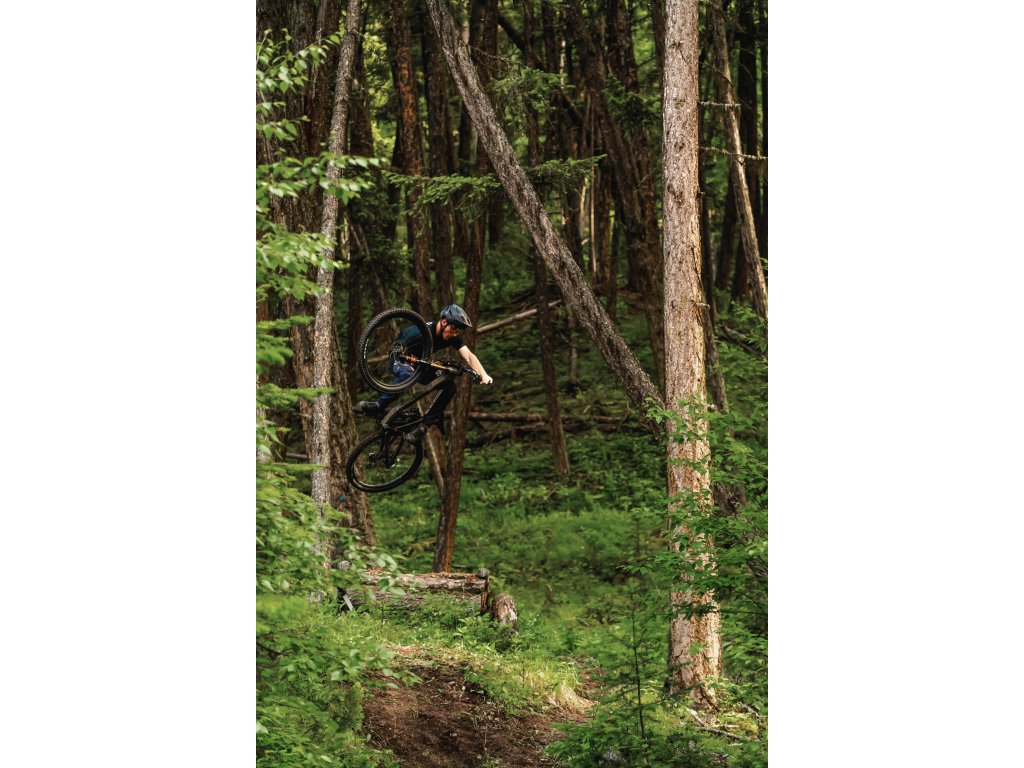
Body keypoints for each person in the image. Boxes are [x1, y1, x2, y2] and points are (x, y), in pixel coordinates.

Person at [356, 304, 493, 445]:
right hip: (401, 360)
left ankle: (423, 427)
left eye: (458, 331)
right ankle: (379, 405)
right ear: (443, 322)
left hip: (420, 365)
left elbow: (469, 356)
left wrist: (483, 374)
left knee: (450, 387)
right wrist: (399, 349)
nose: (454, 333)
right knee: (407, 374)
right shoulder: (420, 332)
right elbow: (399, 340)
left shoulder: (451, 335)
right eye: (453, 329)